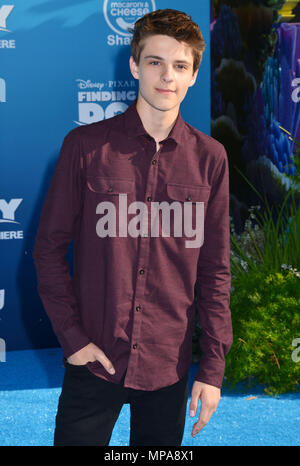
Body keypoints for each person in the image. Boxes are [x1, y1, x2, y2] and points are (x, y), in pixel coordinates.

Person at [33, 8, 233, 446]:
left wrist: (213, 369)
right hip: (94, 359)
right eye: (155, 62)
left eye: (180, 65)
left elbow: (215, 271)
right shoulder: (85, 148)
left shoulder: (211, 159)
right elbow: (48, 250)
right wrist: (73, 339)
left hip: (168, 365)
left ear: (194, 74)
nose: (167, 76)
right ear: (134, 66)